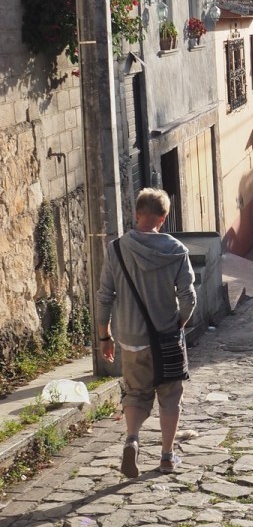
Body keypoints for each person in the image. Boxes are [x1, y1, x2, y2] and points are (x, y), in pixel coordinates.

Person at [97, 188, 196, 480]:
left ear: (137, 214)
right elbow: (189, 298)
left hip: (131, 340)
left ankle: (132, 439)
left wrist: (105, 336)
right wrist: (178, 324)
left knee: (136, 393)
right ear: (163, 218)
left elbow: (105, 296)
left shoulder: (117, 249)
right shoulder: (177, 251)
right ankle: (166, 456)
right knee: (170, 396)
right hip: (166, 338)